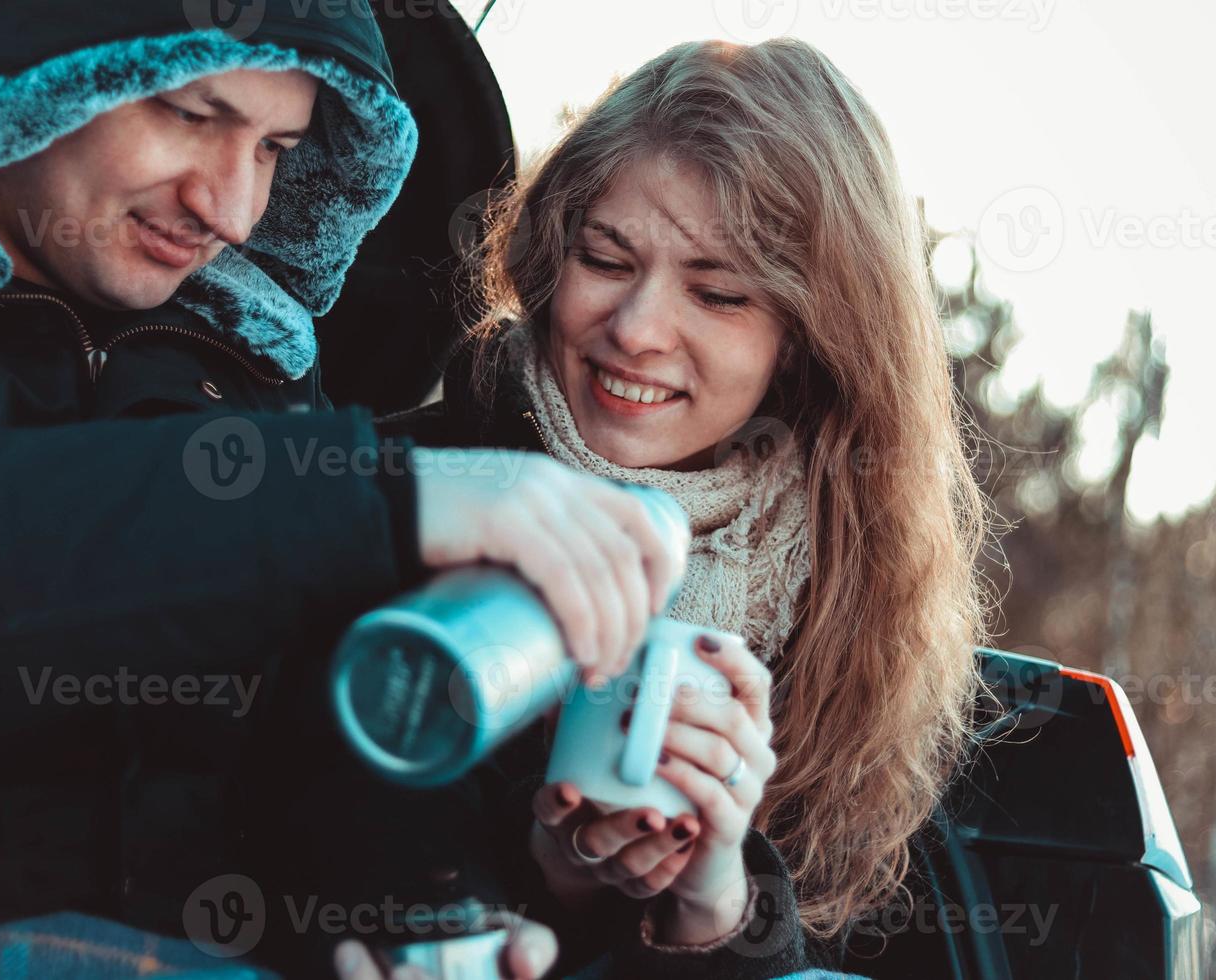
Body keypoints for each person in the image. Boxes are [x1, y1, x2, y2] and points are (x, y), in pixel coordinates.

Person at [0, 3, 685, 976]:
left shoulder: (252, 378)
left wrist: (424, 911)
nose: (231, 207)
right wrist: (361, 500)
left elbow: (305, 738)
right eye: (194, 114)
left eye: (276, 147)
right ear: (32, 74)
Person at [379, 36, 995, 976]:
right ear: (552, 255)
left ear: (806, 338)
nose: (636, 329)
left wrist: (714, 907)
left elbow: (833, 941)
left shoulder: (846, 614)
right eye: (606, 258)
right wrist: (545, 879)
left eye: (716, 293)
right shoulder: (394, 493)